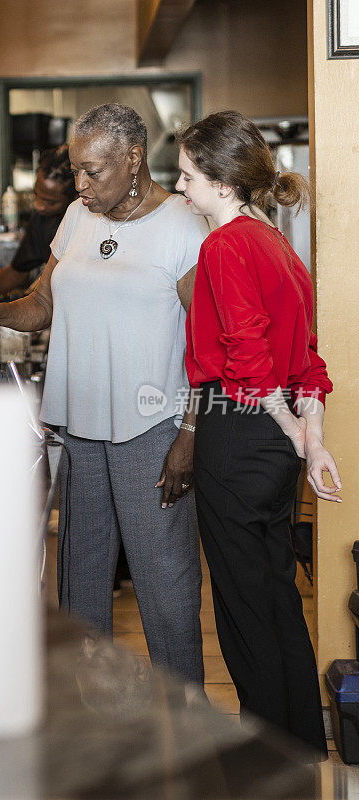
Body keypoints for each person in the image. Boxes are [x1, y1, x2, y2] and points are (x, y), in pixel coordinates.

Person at [0, 103, 209, 686]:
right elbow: (43, 305)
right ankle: (86, 715)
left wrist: (189, 434)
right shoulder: (76, 216)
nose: (83, 184)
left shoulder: (183, 227)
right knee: (81, 586)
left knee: (166, 590)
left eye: (94, 171)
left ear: (134, 157)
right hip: (81, 431)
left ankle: (187, 720)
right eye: (77, 171)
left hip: (153, 432)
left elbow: (206, 345)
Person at [176, 110, 341, 754]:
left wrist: (290, 426)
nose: (182, 188)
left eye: (188, 175)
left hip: (239, 432)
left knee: (245, 608)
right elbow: (309, 362)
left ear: (220, 179)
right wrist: (309, 436)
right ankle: (303, 747)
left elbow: (247, 357)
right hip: (274, 441)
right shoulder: (279, 245)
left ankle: (269, 759)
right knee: (277, 594)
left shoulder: (224, 245)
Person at [0, 146, 76, 297]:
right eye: (36, 194)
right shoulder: (41, 218)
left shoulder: (80, 224)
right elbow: (17, 271)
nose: (38, 205)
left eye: (50, 202)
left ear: (74, 198)